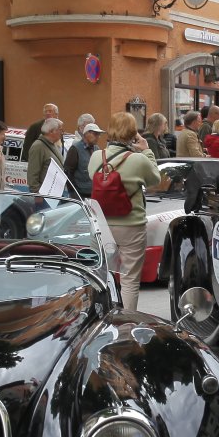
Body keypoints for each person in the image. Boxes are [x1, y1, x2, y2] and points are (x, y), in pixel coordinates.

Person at [88, 111, 161, 312]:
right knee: (129, 279)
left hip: (102, 224)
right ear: (133, 132)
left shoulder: (96, 157)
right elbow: (155, 179)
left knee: (98, 275)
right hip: (131, 224)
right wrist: (147, 151)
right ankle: (128, 320)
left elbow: (92, 178)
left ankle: (98, 315)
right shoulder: (138, 160)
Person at [26, 116, 66, 190]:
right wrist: (36, 192)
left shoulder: (53, 144)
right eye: (60, 130)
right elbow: (32, 174)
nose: (62, 133)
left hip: (54, 191)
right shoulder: (38, 146)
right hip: (44, 193)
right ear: (51, 131)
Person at [63, 121, 102, 198]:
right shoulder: (75, 149)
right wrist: (73, 193)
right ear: (86, 134)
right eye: (95, 134)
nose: (98, 137)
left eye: (99, 135)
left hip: (94, 192)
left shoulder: (97, 148)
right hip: (80, 193)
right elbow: (68, 172)